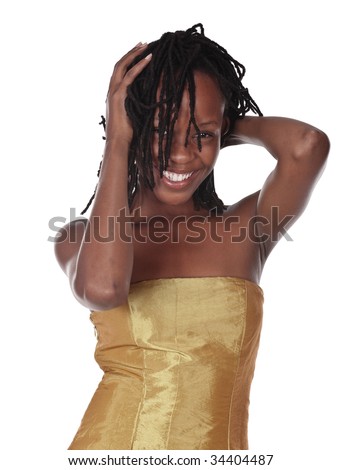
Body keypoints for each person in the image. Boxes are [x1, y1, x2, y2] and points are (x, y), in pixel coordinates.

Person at [54, 24, 329, 450]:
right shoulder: (82, 239)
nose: (182, 153)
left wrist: (219, 125)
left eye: (201, 136)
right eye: (161, 130)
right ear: (133, 126)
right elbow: (103, 288)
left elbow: (307, 145)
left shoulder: (245, 231)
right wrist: (121, 140)